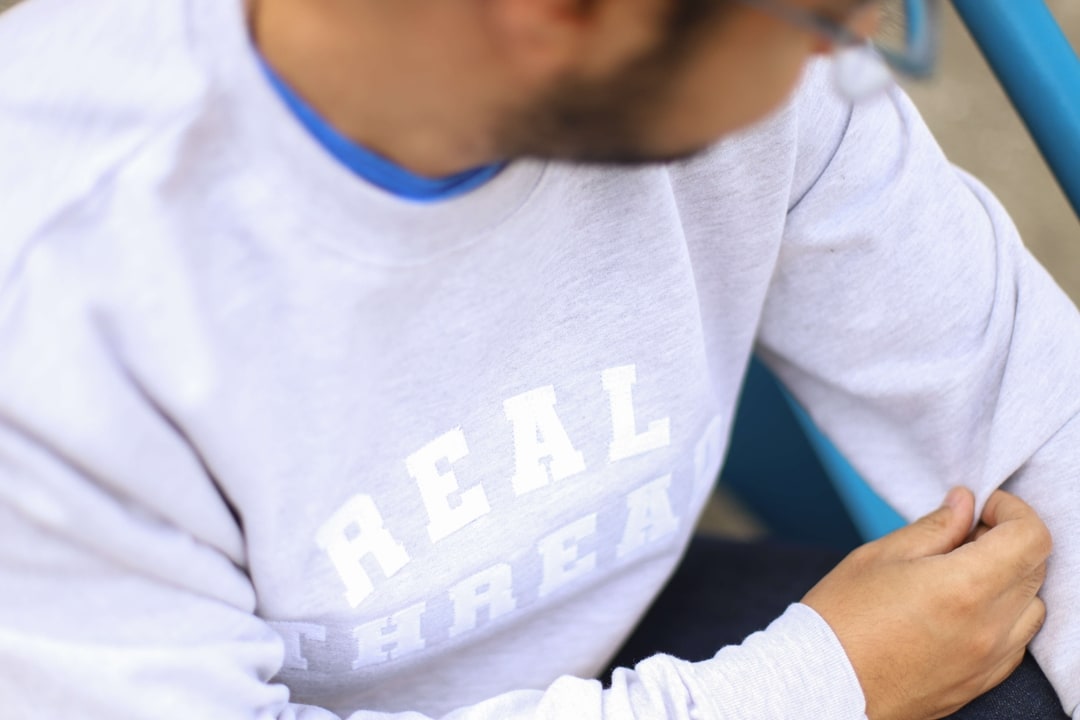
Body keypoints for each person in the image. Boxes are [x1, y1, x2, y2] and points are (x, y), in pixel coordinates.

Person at [0, 0, 1077, 717]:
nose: (851, 40)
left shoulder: (747, 50)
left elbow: (1026, 403)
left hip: (616, 649)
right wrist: (812, 687)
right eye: (824, 15)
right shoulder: (52, 294)